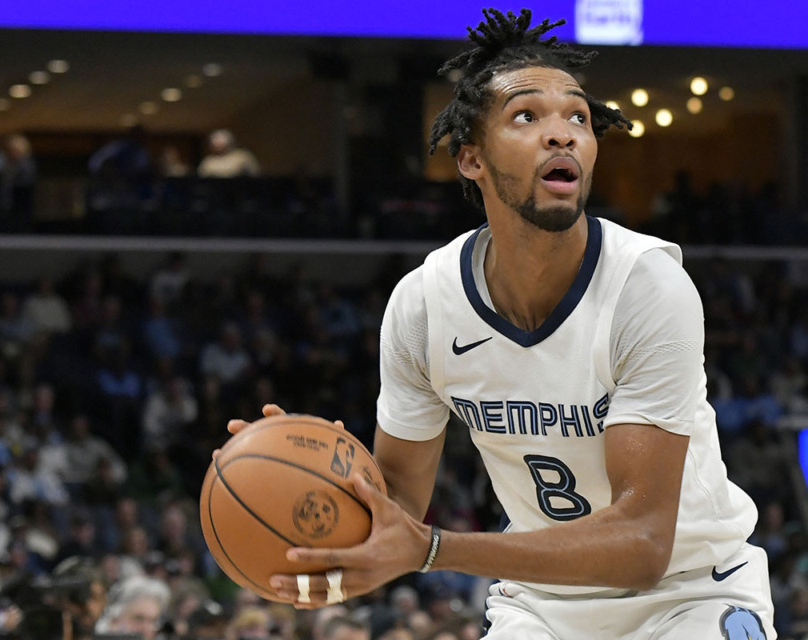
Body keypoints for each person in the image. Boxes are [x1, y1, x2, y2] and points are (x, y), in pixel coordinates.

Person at [225, 8, 775, 638]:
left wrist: (434, 549)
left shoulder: (647, 287)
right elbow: (397, 502)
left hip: (690, 591)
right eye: (526, 116)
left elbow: (643, 542)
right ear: (470, 160)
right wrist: (304, 486)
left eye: (578, 117)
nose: (563, 133)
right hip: (543, 602)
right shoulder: (425, 304)